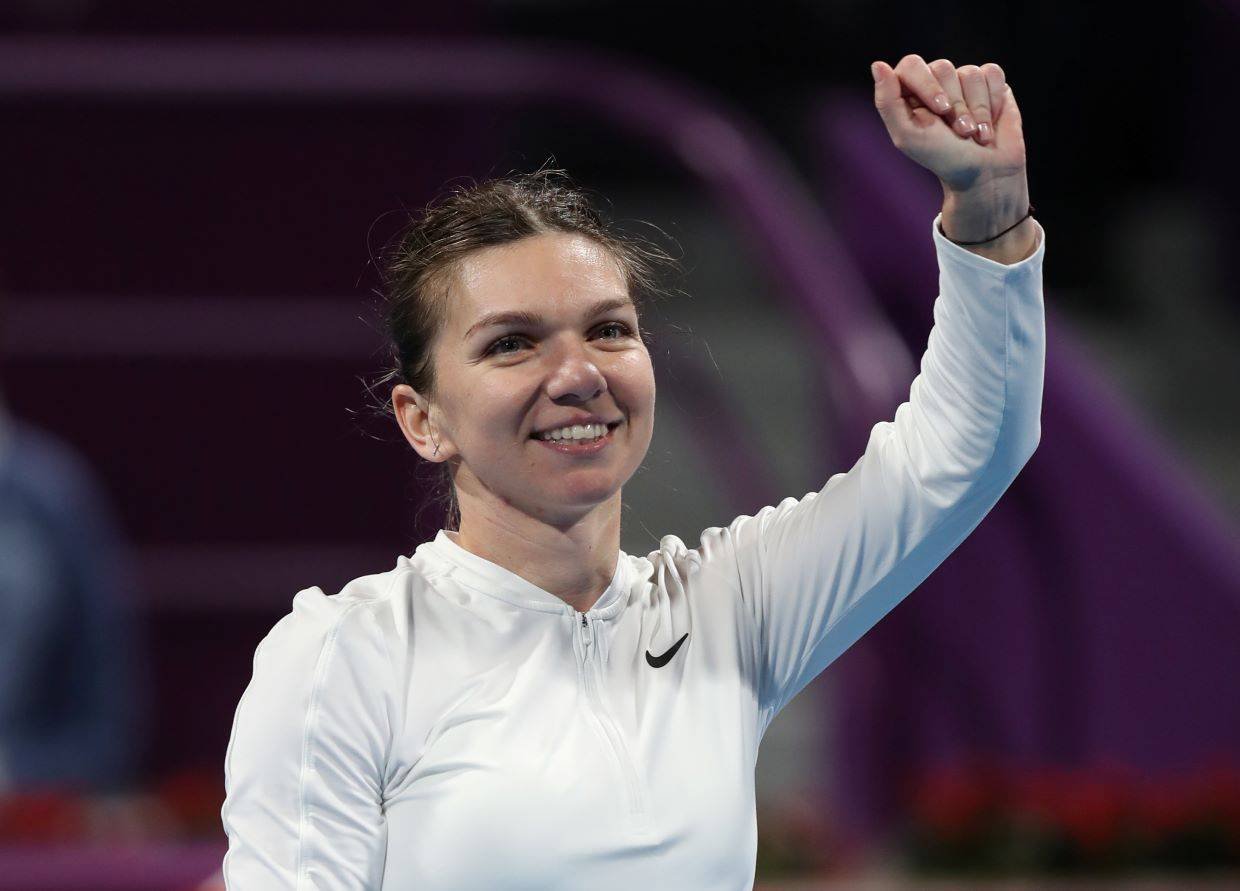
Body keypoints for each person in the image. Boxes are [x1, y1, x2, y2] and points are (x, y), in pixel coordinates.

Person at [220, 54, 1046, 889]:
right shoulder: (346, 656)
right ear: (423, 419)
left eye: (609, 329)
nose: (579, 373)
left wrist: (989, 208)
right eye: (512, 343)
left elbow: (965, 449)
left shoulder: (729, 608)